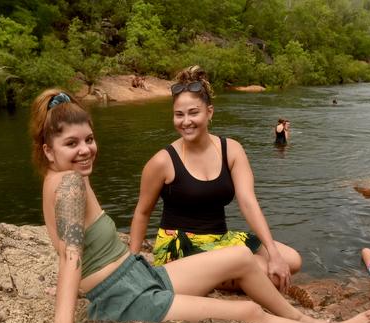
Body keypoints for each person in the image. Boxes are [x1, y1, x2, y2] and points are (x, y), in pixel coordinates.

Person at [29, 88, 370, 323]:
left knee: (241, 257)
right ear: (48, 149)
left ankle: (305, 320)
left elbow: (67, 251)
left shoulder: (59, 178)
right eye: (71, 143)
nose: (86, 149)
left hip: (137, 274)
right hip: (126, 298)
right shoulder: (72, 185)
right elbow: (72, 256)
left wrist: (73, 288)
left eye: (89, 139)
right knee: (246, 311)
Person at [129, 65, 301, 293]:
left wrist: (273, 251)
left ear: (209, 112)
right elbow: (142, 212)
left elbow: (248, 203)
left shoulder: (231, 149)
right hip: (181, 247)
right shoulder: (162, 161)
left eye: (193, 112)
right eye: (179, 114)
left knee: (292, 260)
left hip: (220, 239)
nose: (186, 121)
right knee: (267, 274)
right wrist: (132, 264)